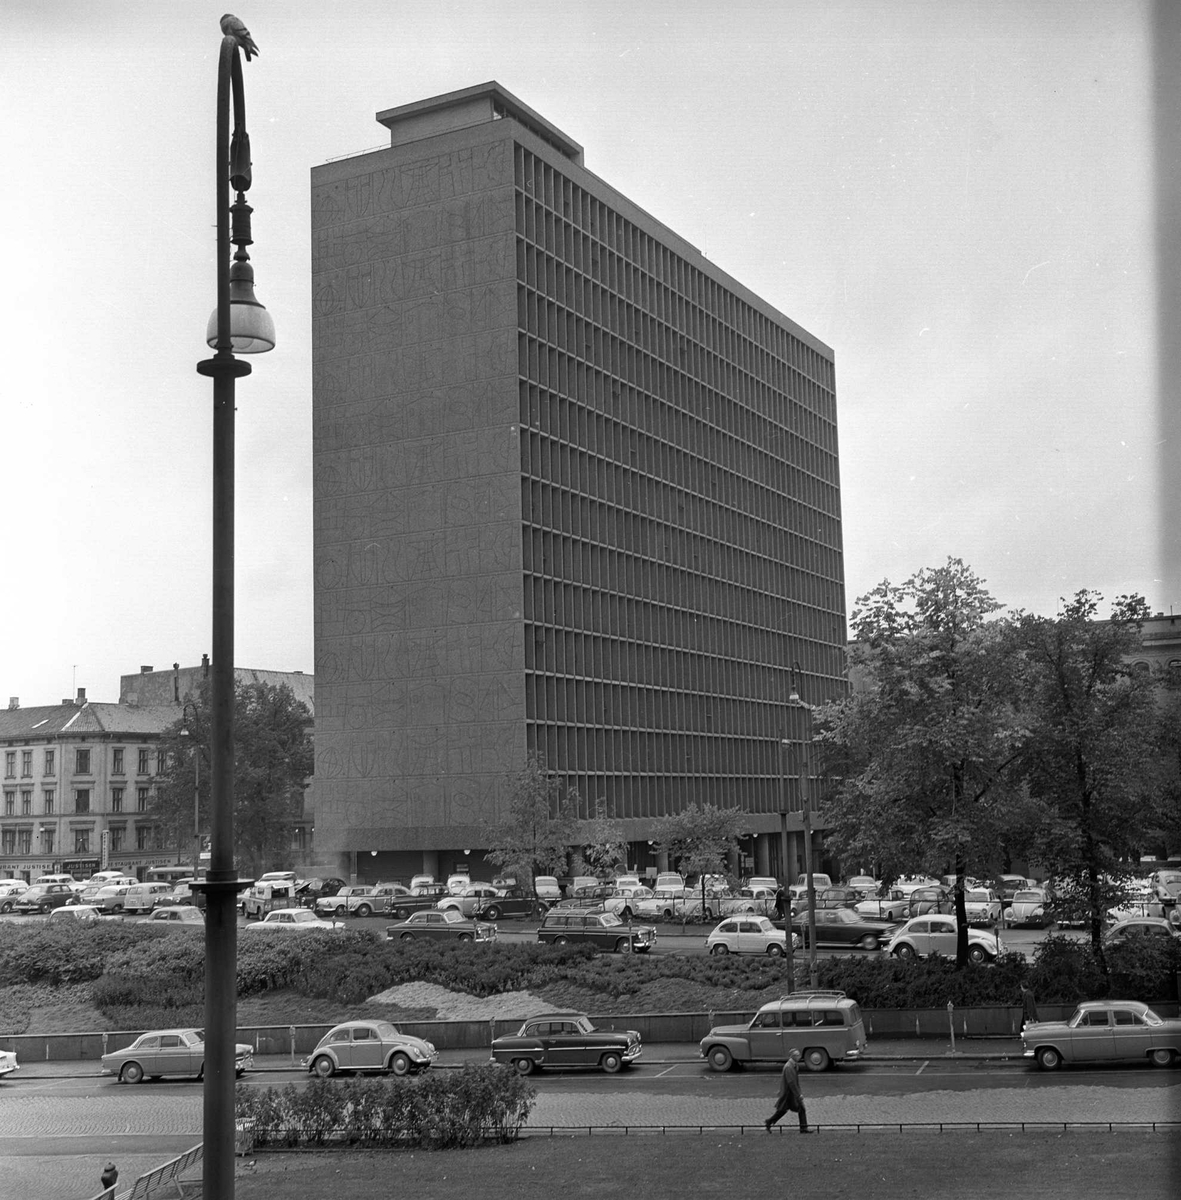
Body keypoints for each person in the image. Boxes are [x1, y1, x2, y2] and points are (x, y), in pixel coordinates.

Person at [765, 1048, 810, 1134]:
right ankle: (803, 1128)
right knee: (800, 1109)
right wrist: (798, 1094)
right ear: (793, 1056)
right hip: (789, 1094)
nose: (799, 1057)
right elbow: (791, 1082)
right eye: (798, 1055)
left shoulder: (792, 1065)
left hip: (789, 1093)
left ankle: (769, 1122)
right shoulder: (789, 1067)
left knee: (783, 1110)